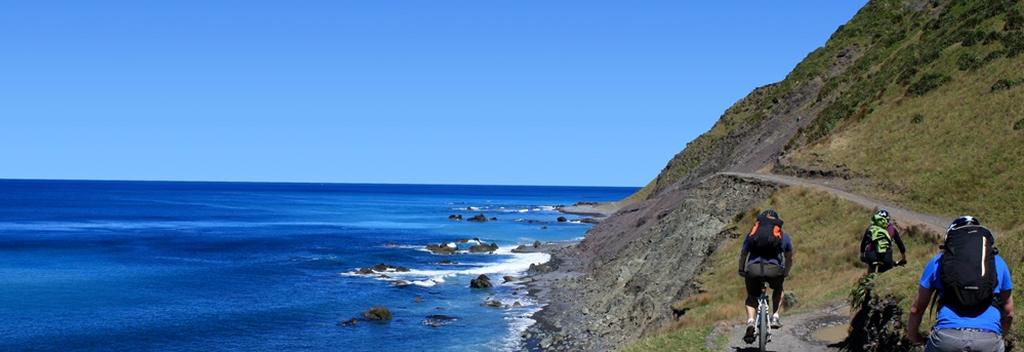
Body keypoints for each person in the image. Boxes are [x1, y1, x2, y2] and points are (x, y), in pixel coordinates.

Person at [907, 216, 1013, 352]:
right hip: (989, 339)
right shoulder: (998, 263)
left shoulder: (938, 262)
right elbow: (1009, 313)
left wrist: (914, 337)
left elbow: (916, 309)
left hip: (946, 339)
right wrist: (998, 337)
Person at [738, 209, 794, 343]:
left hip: (753, 269)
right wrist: (786, 271)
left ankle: (751, 322)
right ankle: (775, 316)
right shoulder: (783, 236)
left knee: (751, 296)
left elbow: (743, 254)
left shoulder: (752, 234)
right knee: (778, 289)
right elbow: (789, 257)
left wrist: (741, 269)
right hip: (774, 270)